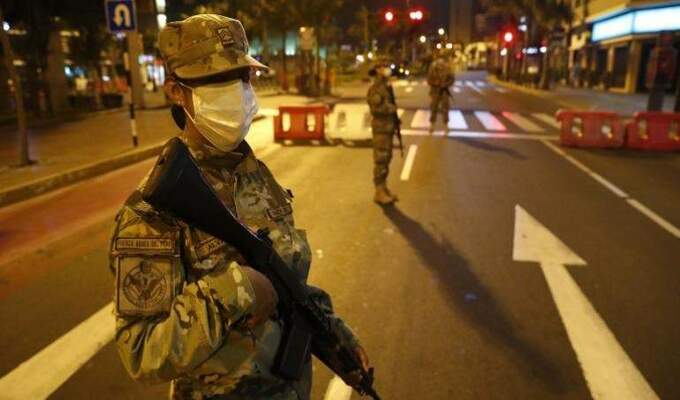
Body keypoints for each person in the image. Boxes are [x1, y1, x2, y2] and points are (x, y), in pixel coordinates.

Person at [109, 14, 368, 399]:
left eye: (242, 77)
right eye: (216, 80)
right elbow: (142, 351)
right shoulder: (152, 212)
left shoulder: (254, 175)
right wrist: (234, 291)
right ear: (176, 92)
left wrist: (335, 336)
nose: (236, 91)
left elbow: (286, 279)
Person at [367, 61, 399, 205]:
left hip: (387, 128)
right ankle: (379, 192)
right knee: (381, 160)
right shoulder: (377, 88)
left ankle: (384, 188)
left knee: (386, 159)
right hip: (381, 129)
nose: (387, 69)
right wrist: (391, 109)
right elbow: (376, 109)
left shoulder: (385, 86)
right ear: (378, 69)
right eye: (384, 67)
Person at [427, 55, 455, 132]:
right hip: (435, 91)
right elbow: (429, 79)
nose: (440, 62)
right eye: (439, 60)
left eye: (442, 61)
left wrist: (445, 84)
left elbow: (452, 79)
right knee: (434, 108)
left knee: (445, 108)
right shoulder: (433, 67)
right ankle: (432, 125)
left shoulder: (447, 68)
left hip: (444, 91)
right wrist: (436, 83)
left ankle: (446, 125)